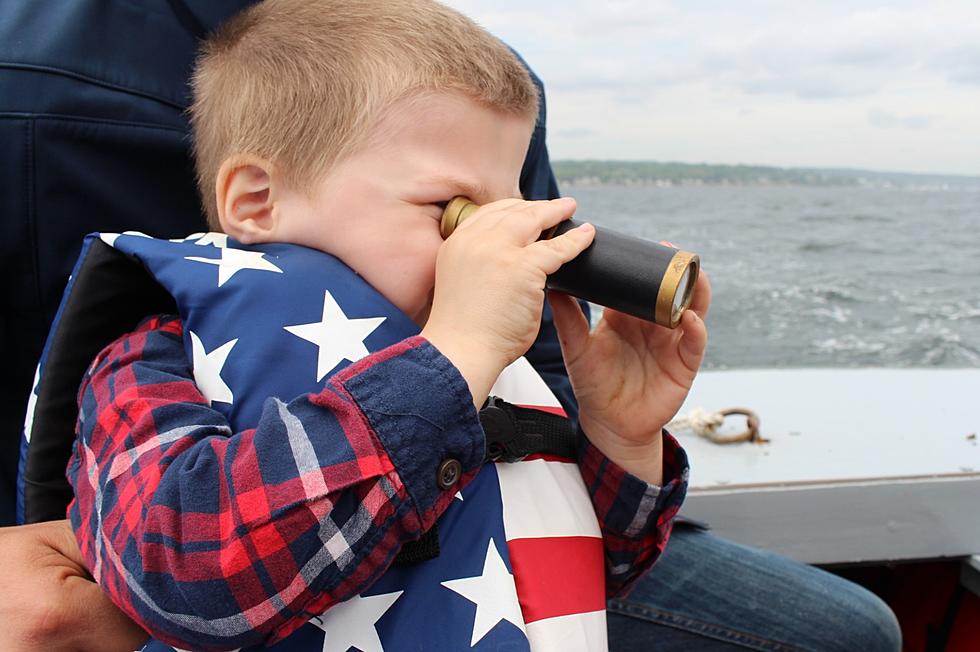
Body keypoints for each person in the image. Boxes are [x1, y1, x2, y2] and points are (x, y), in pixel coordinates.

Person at [0, 1, 900, 651]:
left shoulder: (470, 348)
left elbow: (580, 567)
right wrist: (454, 357)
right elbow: (183, 572)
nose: (507, 236)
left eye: (517, 204)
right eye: (455, 210)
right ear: (258, 200)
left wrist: (623, 439)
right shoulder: (155, 354)